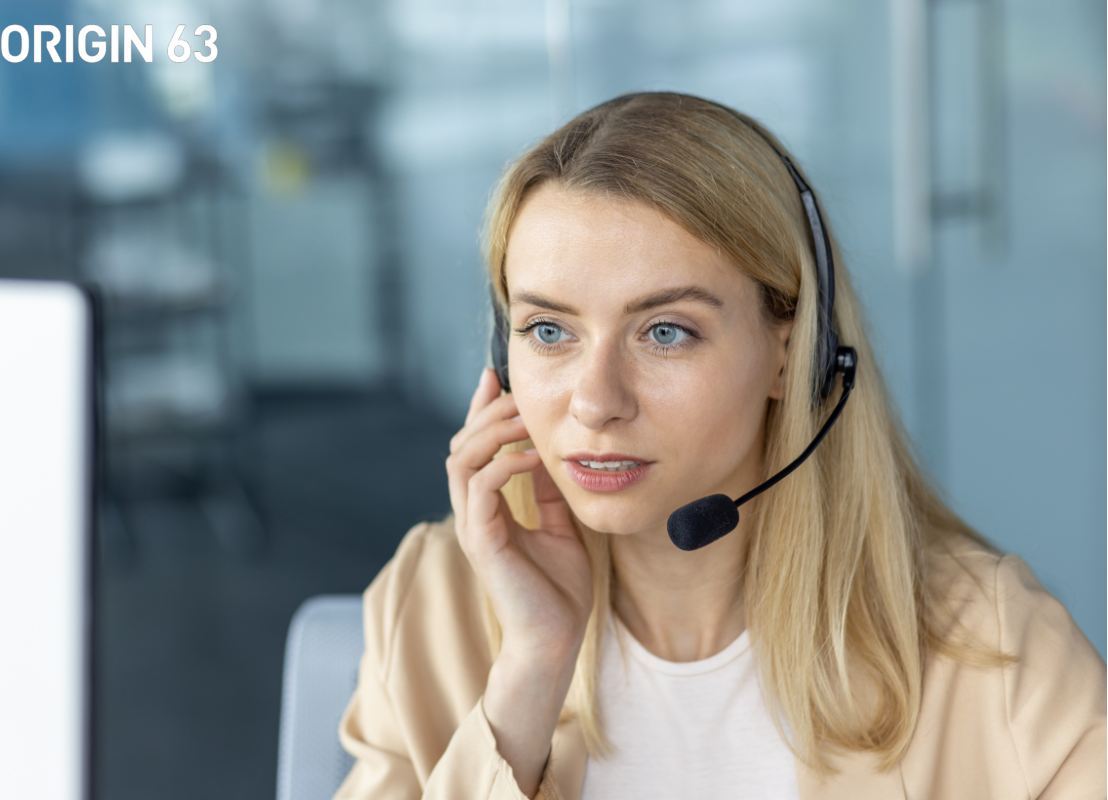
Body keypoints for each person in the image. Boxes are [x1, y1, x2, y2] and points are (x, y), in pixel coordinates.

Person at [333, 92, 1106, 799]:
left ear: (788, 353)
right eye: (549, 331)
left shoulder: (989, 645)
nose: (596, 402)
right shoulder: (430, 608)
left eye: (665, 332)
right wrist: (530, 671)